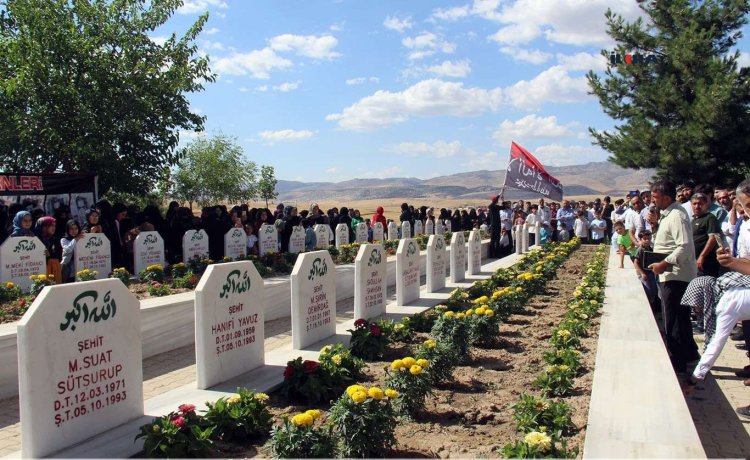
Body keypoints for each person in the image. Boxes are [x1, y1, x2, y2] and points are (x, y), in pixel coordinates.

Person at [647, 179, 699, 375]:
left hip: (675, 275)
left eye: (655, 197)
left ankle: (678, 364)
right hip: (670, 274)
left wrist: (664, 263)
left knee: (674, 320)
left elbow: (684, 247)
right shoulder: (668, 214)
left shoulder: (677, 215)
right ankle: (690, 356)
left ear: (667, 198)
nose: (652, 201)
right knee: (680, 318)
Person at [691, 193, 720, 278]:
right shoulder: (693, 220)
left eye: (700, 203)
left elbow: (713, 238)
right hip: (694, 262)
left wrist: (702, 257)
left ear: (706, 204)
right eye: (694, 204)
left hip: (706, 263)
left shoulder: (710, 218)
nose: (697, 206)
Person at [35, 216, 62, 283]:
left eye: (54, 226)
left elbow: (59, 256)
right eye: (51, 225)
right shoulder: (35, 240)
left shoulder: (54, 240)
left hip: (53, 274)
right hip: (38, 273)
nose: (54, 228)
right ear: (43, 226)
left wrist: (50, 256)